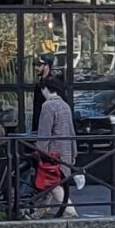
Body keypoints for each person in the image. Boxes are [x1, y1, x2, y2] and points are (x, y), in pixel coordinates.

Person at [34, 76, 78, 217]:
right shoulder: (65, 106)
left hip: (52, 153)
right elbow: (71, 131)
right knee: (54, 184)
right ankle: (37, 213)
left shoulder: (48, 106)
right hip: (66, 151)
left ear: (45, 89)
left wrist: (39, 151)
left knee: (53, 184)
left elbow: (44, 133)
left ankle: (71, 212)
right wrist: (74, 152)